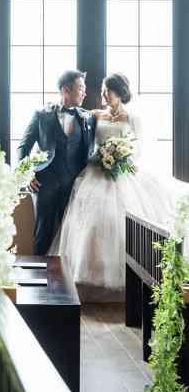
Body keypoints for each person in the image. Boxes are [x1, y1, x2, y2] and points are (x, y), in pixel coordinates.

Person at [53, 73, 176, 301]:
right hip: (96, 172)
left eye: (106, 91)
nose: (102, 95)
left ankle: (131, 281)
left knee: (121, 224)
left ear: (118, 92)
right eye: (102, 90)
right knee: (91, 224)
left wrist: (121, 156)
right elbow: (79, 134)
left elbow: (140, 150)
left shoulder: (133, 118)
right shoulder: (96, 115)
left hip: (122, 173)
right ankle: (87, 281)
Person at [17, 70, 96, 255]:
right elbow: (23, 147)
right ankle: (38, 281)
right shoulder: (41, 115)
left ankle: (67, 281)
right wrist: (26, 175)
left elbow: (92, 151)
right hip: (44, 184)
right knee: (42, 234)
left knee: (73, 237)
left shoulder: (87, 117)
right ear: (66, 89)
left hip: (75, 185)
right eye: (81, 88)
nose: (85, 93)